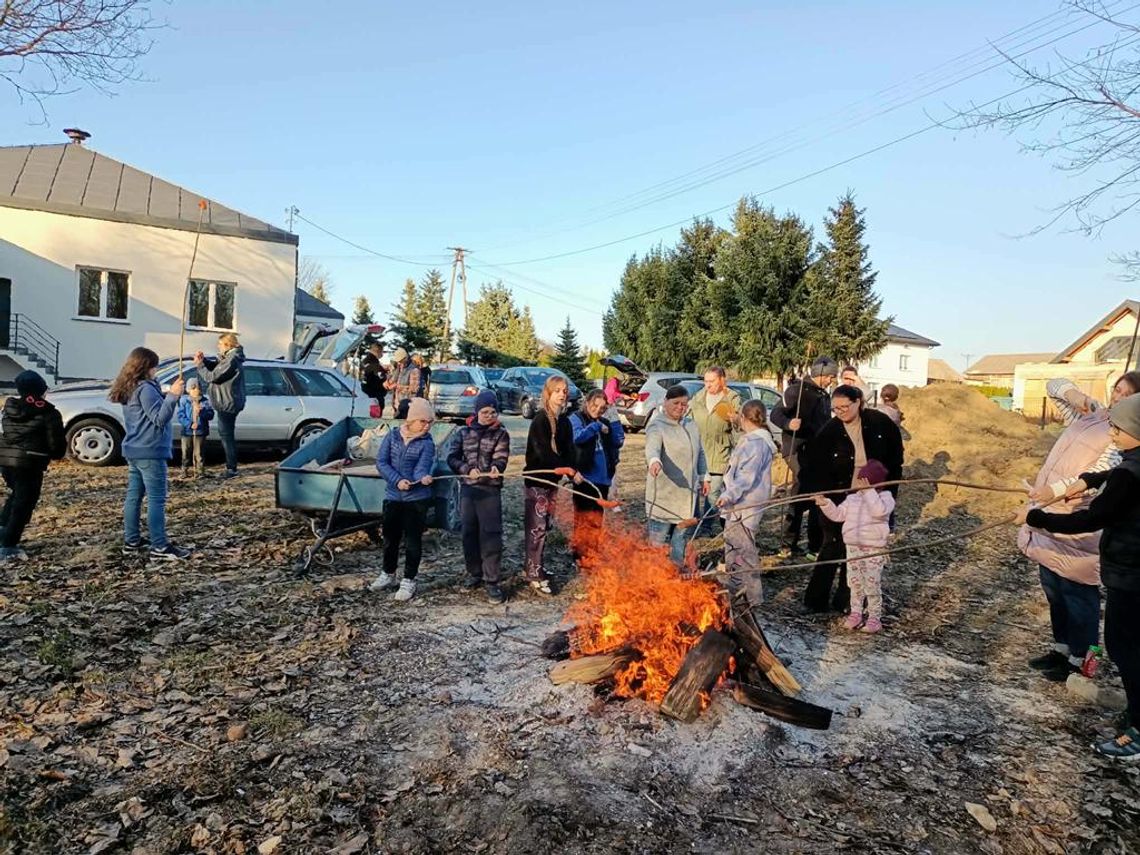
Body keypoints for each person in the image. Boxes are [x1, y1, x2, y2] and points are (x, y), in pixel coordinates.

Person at [1016, 392, 1140, 761]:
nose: (1112, 433)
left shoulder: (1130, 476)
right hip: (1126, 570)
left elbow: (1090, 519)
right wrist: (1085, 480)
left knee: (1126, 647)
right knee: (1125, 646)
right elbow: (1111, 472)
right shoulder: (1130, 466)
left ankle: (1138, 730)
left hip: (1131, 573)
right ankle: (1136, 713)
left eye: (1118, 428)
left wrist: (1036, 517)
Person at [801, 384, 903, 613]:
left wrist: (888, 492)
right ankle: (816, 601)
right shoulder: (829, 431)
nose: (840, 412)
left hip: (872, 497)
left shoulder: (880, 424)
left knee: (857, 549)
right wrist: (820, 495)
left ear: (858, 402)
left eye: (845, 407)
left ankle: (848, 602)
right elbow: (813, 466)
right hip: (839, 495)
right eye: (836, 409)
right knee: (832, 545)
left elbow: (896, 461)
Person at [110, 348, 190, 560]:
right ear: (146, 367)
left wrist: (166, 394)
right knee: (156, 499)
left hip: (135, 449)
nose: (156, 369)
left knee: (134, 497)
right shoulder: (145, 389)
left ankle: (132, 541)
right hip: (150, 451)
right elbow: (159, 418)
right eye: (154, 365)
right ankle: (160, 547)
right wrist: (173, 396)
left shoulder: (130, 386)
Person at [815, 460, 896, 633]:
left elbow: (878, 512)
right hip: (853, 546)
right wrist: (826, 504)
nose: (859, 485)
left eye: (863, 482)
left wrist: (869, 493)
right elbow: (838, 515)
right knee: (854, 582)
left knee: (872, 584)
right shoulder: (852, 498)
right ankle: (856, 613)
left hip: (873, 548)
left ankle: (874, 617)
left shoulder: (885, 498)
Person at [770, 356, 838, 559]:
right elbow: (775, 414)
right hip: (796, 449)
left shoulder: (824, 396)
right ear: (820, 375)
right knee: (806, 490)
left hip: (817, 452)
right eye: (831, 377)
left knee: (813, 493)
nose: (832, 381)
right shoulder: (796, 391)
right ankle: (788, 543)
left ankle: (812, 545)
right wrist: (789, 423)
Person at [370, 397, 436, 601]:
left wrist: (421, 479)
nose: (426, 426)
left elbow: (422, 467)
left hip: (416, 499)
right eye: (422, 422)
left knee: (412, 540)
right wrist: (397, 480)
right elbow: (382, 462)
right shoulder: (392, 437)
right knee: (390, 538)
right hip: (393, 496)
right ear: (411, 420)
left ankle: (409, 579)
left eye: (429, 422)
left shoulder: (427, 443)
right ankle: (388, 573)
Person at [447, 390, 510, 604]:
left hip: (490, 490)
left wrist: (496, 467)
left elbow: (502, 456)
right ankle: (475, 573)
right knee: (469, 533)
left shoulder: (501, 433)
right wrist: (465, 468)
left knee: (490, 534)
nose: (489, 416)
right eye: (485, 412)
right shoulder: (463, 433)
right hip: (469, 490)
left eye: (493, 412)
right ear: (476, 412)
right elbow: (452, 457)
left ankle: (492, 581)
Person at [523, 375, 580, 594]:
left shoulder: (564, 421)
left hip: (553, 482)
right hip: (538, 479)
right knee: (536, 528)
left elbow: (569, 450)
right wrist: (561, 467)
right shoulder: (540, 419)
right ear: (548, 393)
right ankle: (534, 573)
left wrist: (572, 469)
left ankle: (535, 565)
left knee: (546, 525)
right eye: (557, 390)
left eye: (565, 391)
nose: (562, 394)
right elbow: (542, 451)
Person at [0, 370, 65, 560]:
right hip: (31, 462)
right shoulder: (50, 413)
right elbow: (56, 444)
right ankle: (9, 544)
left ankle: (3, 530)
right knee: (24, 502)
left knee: (15, 496)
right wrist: (55, 454)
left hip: (6, 460)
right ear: (42, 389)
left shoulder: (9, 409)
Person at [716, 400, 774, 606]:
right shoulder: (751, 439)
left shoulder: (756, 444)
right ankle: (735, 590)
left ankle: (751, 597)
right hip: (738, 504)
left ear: (744, 417)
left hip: (745, 505)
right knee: (733, 548)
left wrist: (729, 495)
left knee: (744, 551)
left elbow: (746, 477)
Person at [645, 385, 709, 566]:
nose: (680, 407)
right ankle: (653, 579)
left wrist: (705, 476)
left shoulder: (691, 425)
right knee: (658, 545)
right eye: (676, 403)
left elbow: (701, 453)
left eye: (684, 404)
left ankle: (676, 575)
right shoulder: (657, 426)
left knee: (679, 541)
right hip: (664, 497)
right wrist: (654, 461)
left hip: (686, 497)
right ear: (665, 402)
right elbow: (652, 448)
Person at [570, 389, 626, 564]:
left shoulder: (604, 421)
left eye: (602, 408)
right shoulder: (576, 419)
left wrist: (613, 420)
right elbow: (577, 438)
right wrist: (595, 426)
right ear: (587, 402)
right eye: (595, 406)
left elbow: (618, 442)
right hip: (585, 478)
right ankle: (580, 555)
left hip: (602, 479)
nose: (597, 410)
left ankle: (592, 551)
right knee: (583, 518)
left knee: (596, 518)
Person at [689, 366, 742, 531]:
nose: (708, 385)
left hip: (720, 454)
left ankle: (706, 526)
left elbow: (740, 428)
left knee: (713, 494)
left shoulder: (732, 398)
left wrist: (736, 420)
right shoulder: (697, 398)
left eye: (712, 381)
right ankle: (693, 523)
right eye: (705, 381)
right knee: (695, 491)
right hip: (697, 453)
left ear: (722, 380)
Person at [195, 333, 245, 479]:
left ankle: (231, 469)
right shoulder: (230, 358)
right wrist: (203, 360)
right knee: (227, 435)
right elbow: (217, 367)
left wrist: (199, 366)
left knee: (226, 436)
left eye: (220, 344)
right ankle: (231, 467)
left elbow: (212, 376)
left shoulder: (232, 360)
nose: (218, 346)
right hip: (227, 401)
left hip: (227, 403)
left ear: (227, 345)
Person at [176, 378, 214, 478]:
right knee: (186, 451)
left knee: (199, 453)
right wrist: (189, 424)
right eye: (193, 388)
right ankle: (184, 470)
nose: (196, 390)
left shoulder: (204, 401)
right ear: (189, 390)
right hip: (187, 431)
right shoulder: (184, 401)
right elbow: (180, 416)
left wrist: (201, 412)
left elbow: (210, 415)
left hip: (200, 431)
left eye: (197, 388)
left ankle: (199, 471)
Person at [389, 348, 421, 419]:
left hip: (407, 405)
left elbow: (414, 389)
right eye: (397, 361)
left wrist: (397, 386)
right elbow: (394, 379)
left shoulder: (414, 370)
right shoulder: (399, 368)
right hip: (397, 405)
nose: (399, 363)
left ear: (406, 358)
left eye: (400, 361)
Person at [360, 342, 388, 414]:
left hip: (365, 392)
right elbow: (383, 379)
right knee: (375, 419)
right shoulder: (375, 364)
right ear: (378, 352)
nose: (382, 354)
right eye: (382, 352)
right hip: (375, 395)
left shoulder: (364, 362)